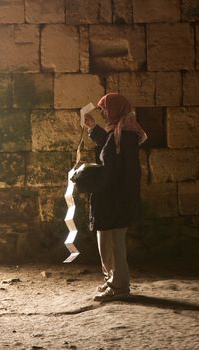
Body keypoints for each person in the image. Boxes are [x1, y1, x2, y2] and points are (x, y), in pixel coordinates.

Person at [84, 93, 147, 302]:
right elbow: (109, 148)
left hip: (116, 198)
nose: (102, 112)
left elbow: (125, 170)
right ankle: (112, 279)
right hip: (108, 196)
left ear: (116, 109)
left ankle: (119, 285)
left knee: (115, 242)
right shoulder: (117, 131)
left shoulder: (127, 134)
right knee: (106, 240)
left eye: (104, 109)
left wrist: (101, 183)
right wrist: (93, 128)